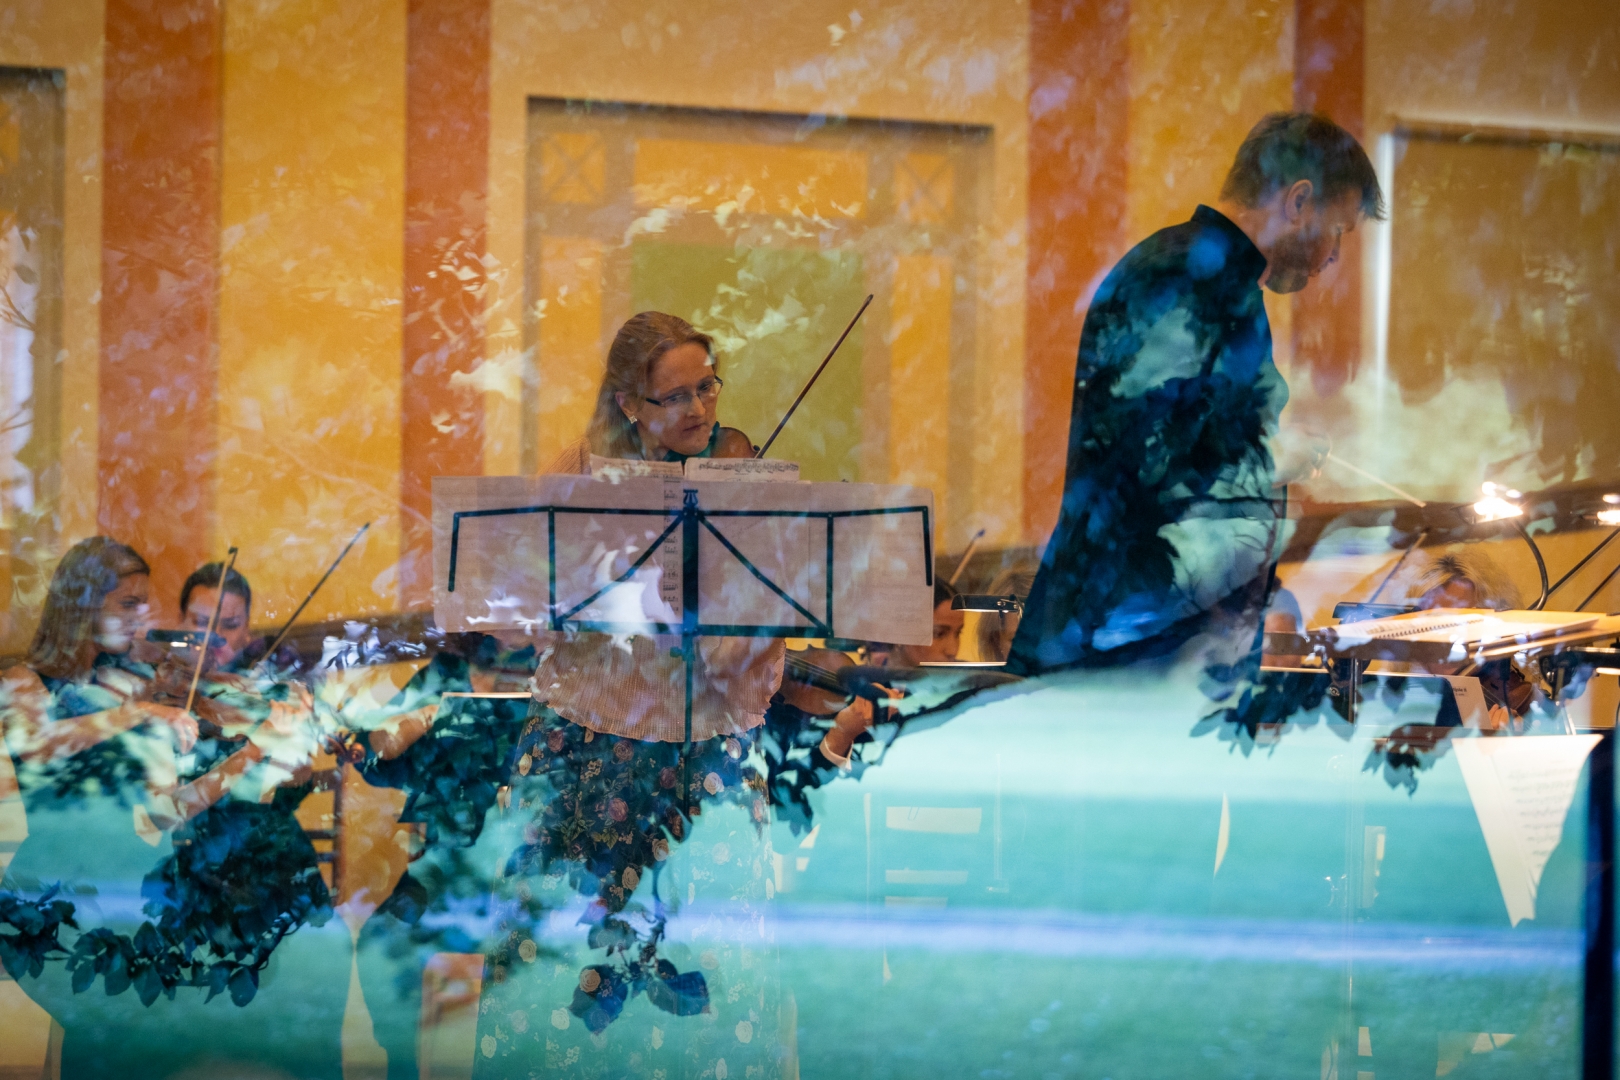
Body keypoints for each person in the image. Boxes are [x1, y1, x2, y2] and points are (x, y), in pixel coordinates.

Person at [1009, 112, 1384, 681]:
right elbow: (1144, 459)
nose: (1333, 255)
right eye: (1338, 230)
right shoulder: (1185, 278)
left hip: (1160, 639)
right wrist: (1271, 460)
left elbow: (1188, 430)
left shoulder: (1218, 281)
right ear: (1299, 201)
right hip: (1123, 646)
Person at [0, 537, 344, 1079]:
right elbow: (37, 744)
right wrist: (139, 714)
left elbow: (167, 811)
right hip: (62, 894)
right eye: (128, 603)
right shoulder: (25, 681)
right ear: (82, 605)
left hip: (132, 887)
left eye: (145, 602)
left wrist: (259, 743)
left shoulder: (131, 684)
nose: (145, 616)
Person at [179, 560, 255, 669]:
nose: (216, 636)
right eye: (202, 623)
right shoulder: (160, 674)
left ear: (246, 629)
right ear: (181, 622)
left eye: (230, 625)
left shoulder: (260, 676)